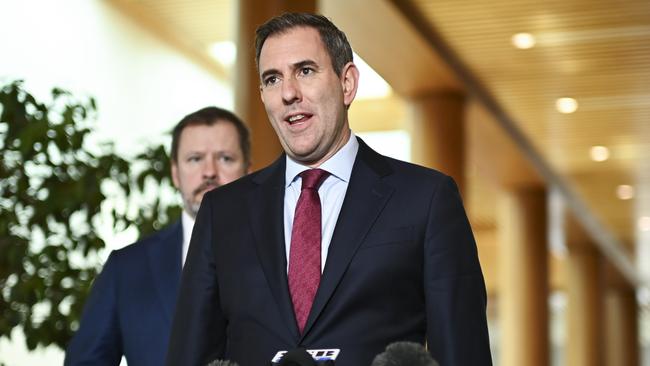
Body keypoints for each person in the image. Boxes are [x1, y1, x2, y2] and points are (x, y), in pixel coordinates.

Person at [166, 13, 491, 366]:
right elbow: (189, 355)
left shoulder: (426, 199)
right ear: (262, 96)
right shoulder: (222, 211)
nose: (289, 93)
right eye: (272, 79)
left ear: (347, 83)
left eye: (305, 71)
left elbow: (464, 353)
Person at [64, 106, 251, 366]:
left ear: (249, 171)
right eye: (195, 159)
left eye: (225, 159)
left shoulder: (284, 256)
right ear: (175, 173)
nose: (209, 172)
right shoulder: (126, 268)